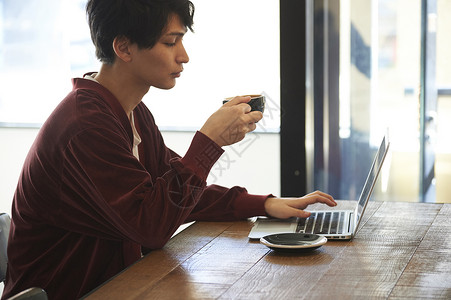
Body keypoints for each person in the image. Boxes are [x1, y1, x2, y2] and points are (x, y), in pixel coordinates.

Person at [2, 0, 336, 299]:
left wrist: (265, 204)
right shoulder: (86, 127)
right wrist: (209, 142)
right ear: (124, 47)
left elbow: (174, 195)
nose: (184, 55)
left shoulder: (129, 111)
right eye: (169, 42)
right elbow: (152, 225)